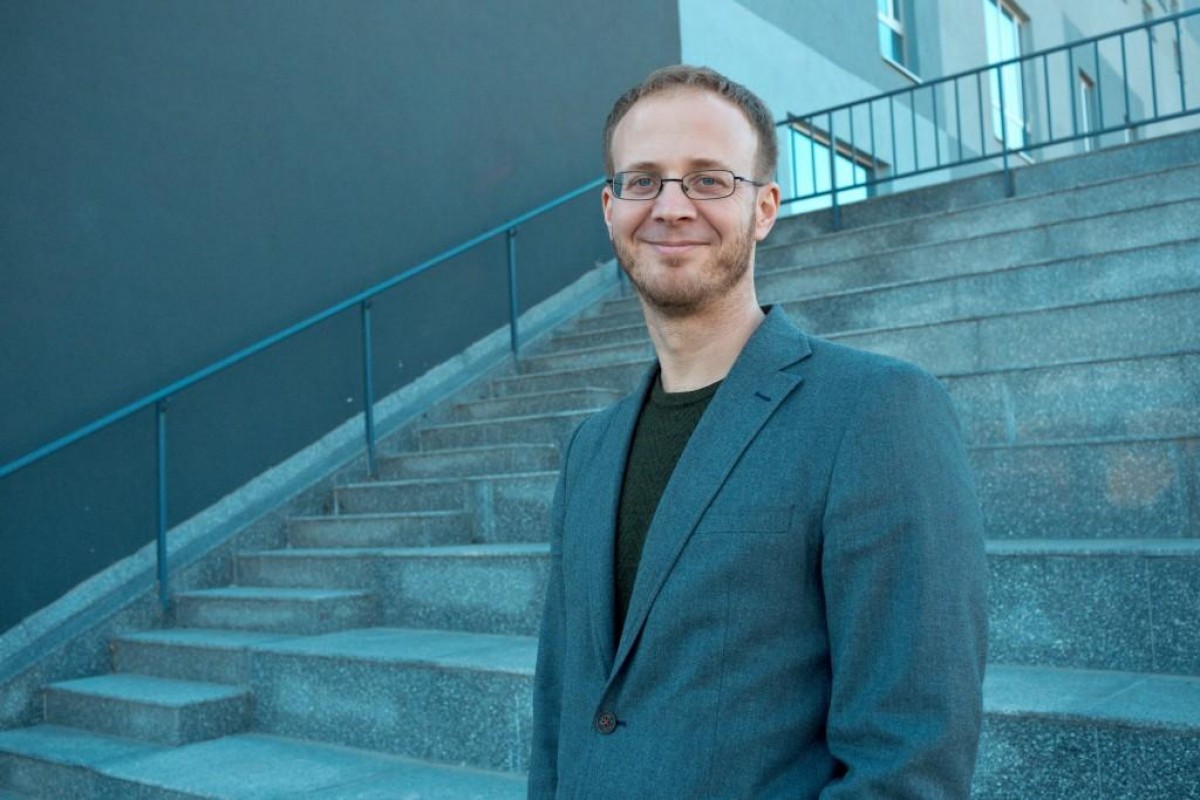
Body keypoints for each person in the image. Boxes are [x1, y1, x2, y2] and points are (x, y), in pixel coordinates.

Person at [529, 65, 987, 799]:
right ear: (610, 209)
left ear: (765, 208)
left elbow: (909, 756)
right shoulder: (590, 448)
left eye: (709, 180)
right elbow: (560, 709)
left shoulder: (875, 410)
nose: (671, 207)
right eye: (643, 181)